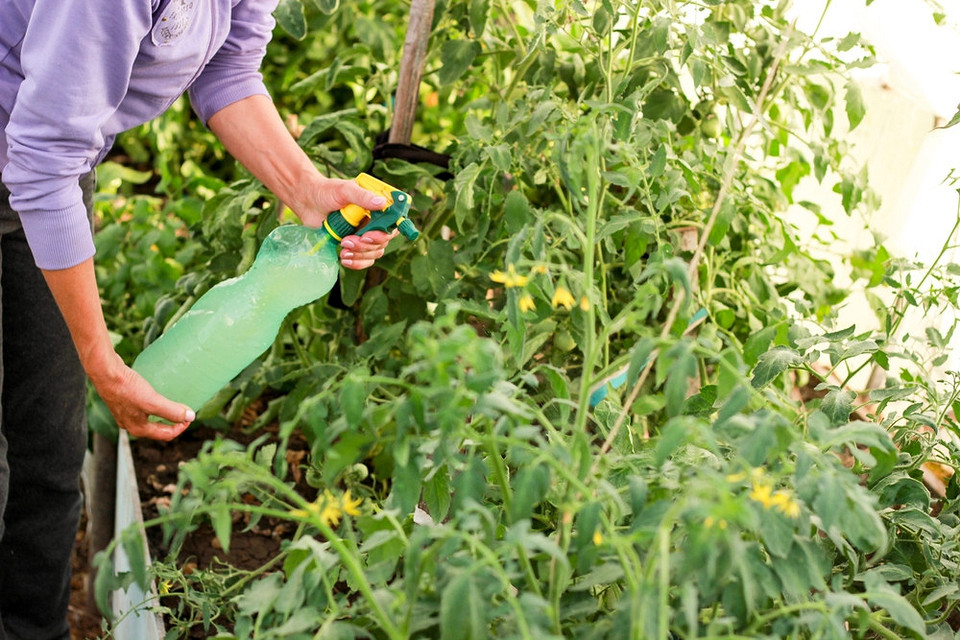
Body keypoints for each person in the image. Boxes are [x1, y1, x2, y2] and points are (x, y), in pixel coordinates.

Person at [0, 1, 396, 637]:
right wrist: (101, 360)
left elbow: (228, 66)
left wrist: (306, 190)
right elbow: (44, 159)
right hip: (40, 159)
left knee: (47, 451)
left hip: (46, 170)